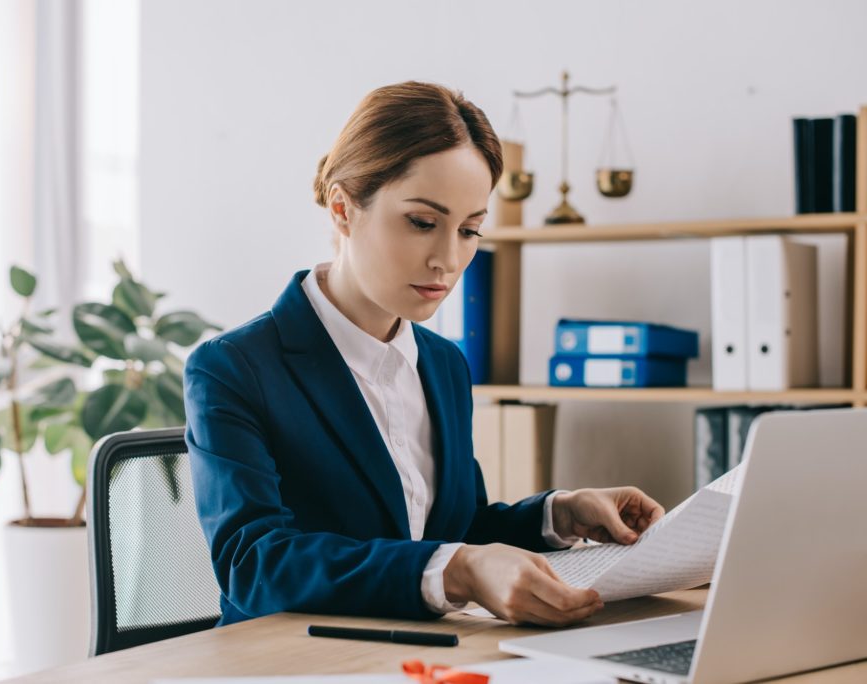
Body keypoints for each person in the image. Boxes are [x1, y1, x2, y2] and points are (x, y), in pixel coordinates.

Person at [183, 81, 665, 628]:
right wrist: (460, 571)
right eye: (422, 223)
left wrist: (560, 513)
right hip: (292, 662)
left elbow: (453, 532)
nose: (449, 259)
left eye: (469, 230)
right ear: (343, 209)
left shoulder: (443, 363)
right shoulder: (234, 368)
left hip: (418, 652)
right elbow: (254, 564)